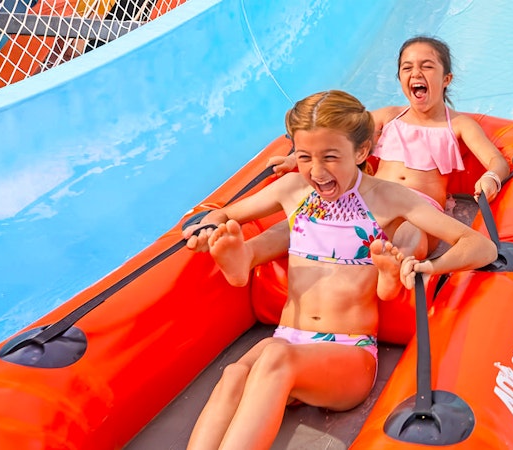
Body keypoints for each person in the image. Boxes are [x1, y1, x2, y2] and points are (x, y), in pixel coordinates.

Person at [183, 90, 496, 450]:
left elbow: (479, 245)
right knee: (235, 373)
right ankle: (239, 259)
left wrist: (427, 266)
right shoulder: (293, 191)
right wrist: (212, 230)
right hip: (288, 338)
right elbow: (222, 212)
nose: (316, 171)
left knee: (272, 357)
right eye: (304, 157)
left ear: (361, 152)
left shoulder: (387, 198)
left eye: (330, 157)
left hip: (350, 353)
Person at [197, 35, 510, 301]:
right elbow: (339, 135)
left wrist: (491, 176)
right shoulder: (389, 117)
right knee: (302, 219)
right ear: (400, 78)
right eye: (407, 67)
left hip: (417, 207)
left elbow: (495, 160)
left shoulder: (458, 125)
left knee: (410, 231)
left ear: (445, 80)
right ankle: (247, 254)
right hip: (372, 202)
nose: (416, 72)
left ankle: (391, 269)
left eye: (427, 66)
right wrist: (297, 159)